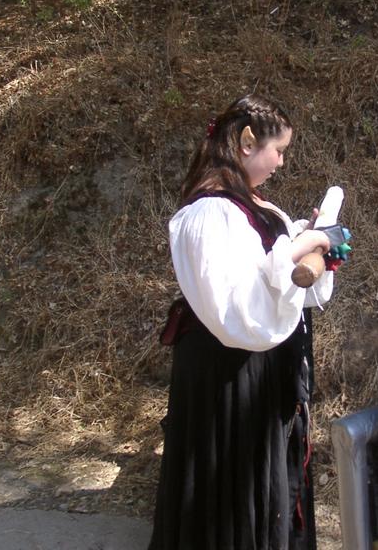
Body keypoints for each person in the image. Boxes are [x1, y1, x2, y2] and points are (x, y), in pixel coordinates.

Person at [149, 94, 337, 550]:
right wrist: (297, 247)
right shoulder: (210, 213)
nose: (282, 162)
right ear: (248, 142)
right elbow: (239, 306)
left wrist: (303, 240)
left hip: (254, 367)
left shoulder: (244, 204)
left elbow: (263, 269)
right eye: (279, 150)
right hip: (228, 374)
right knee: (229, 494)